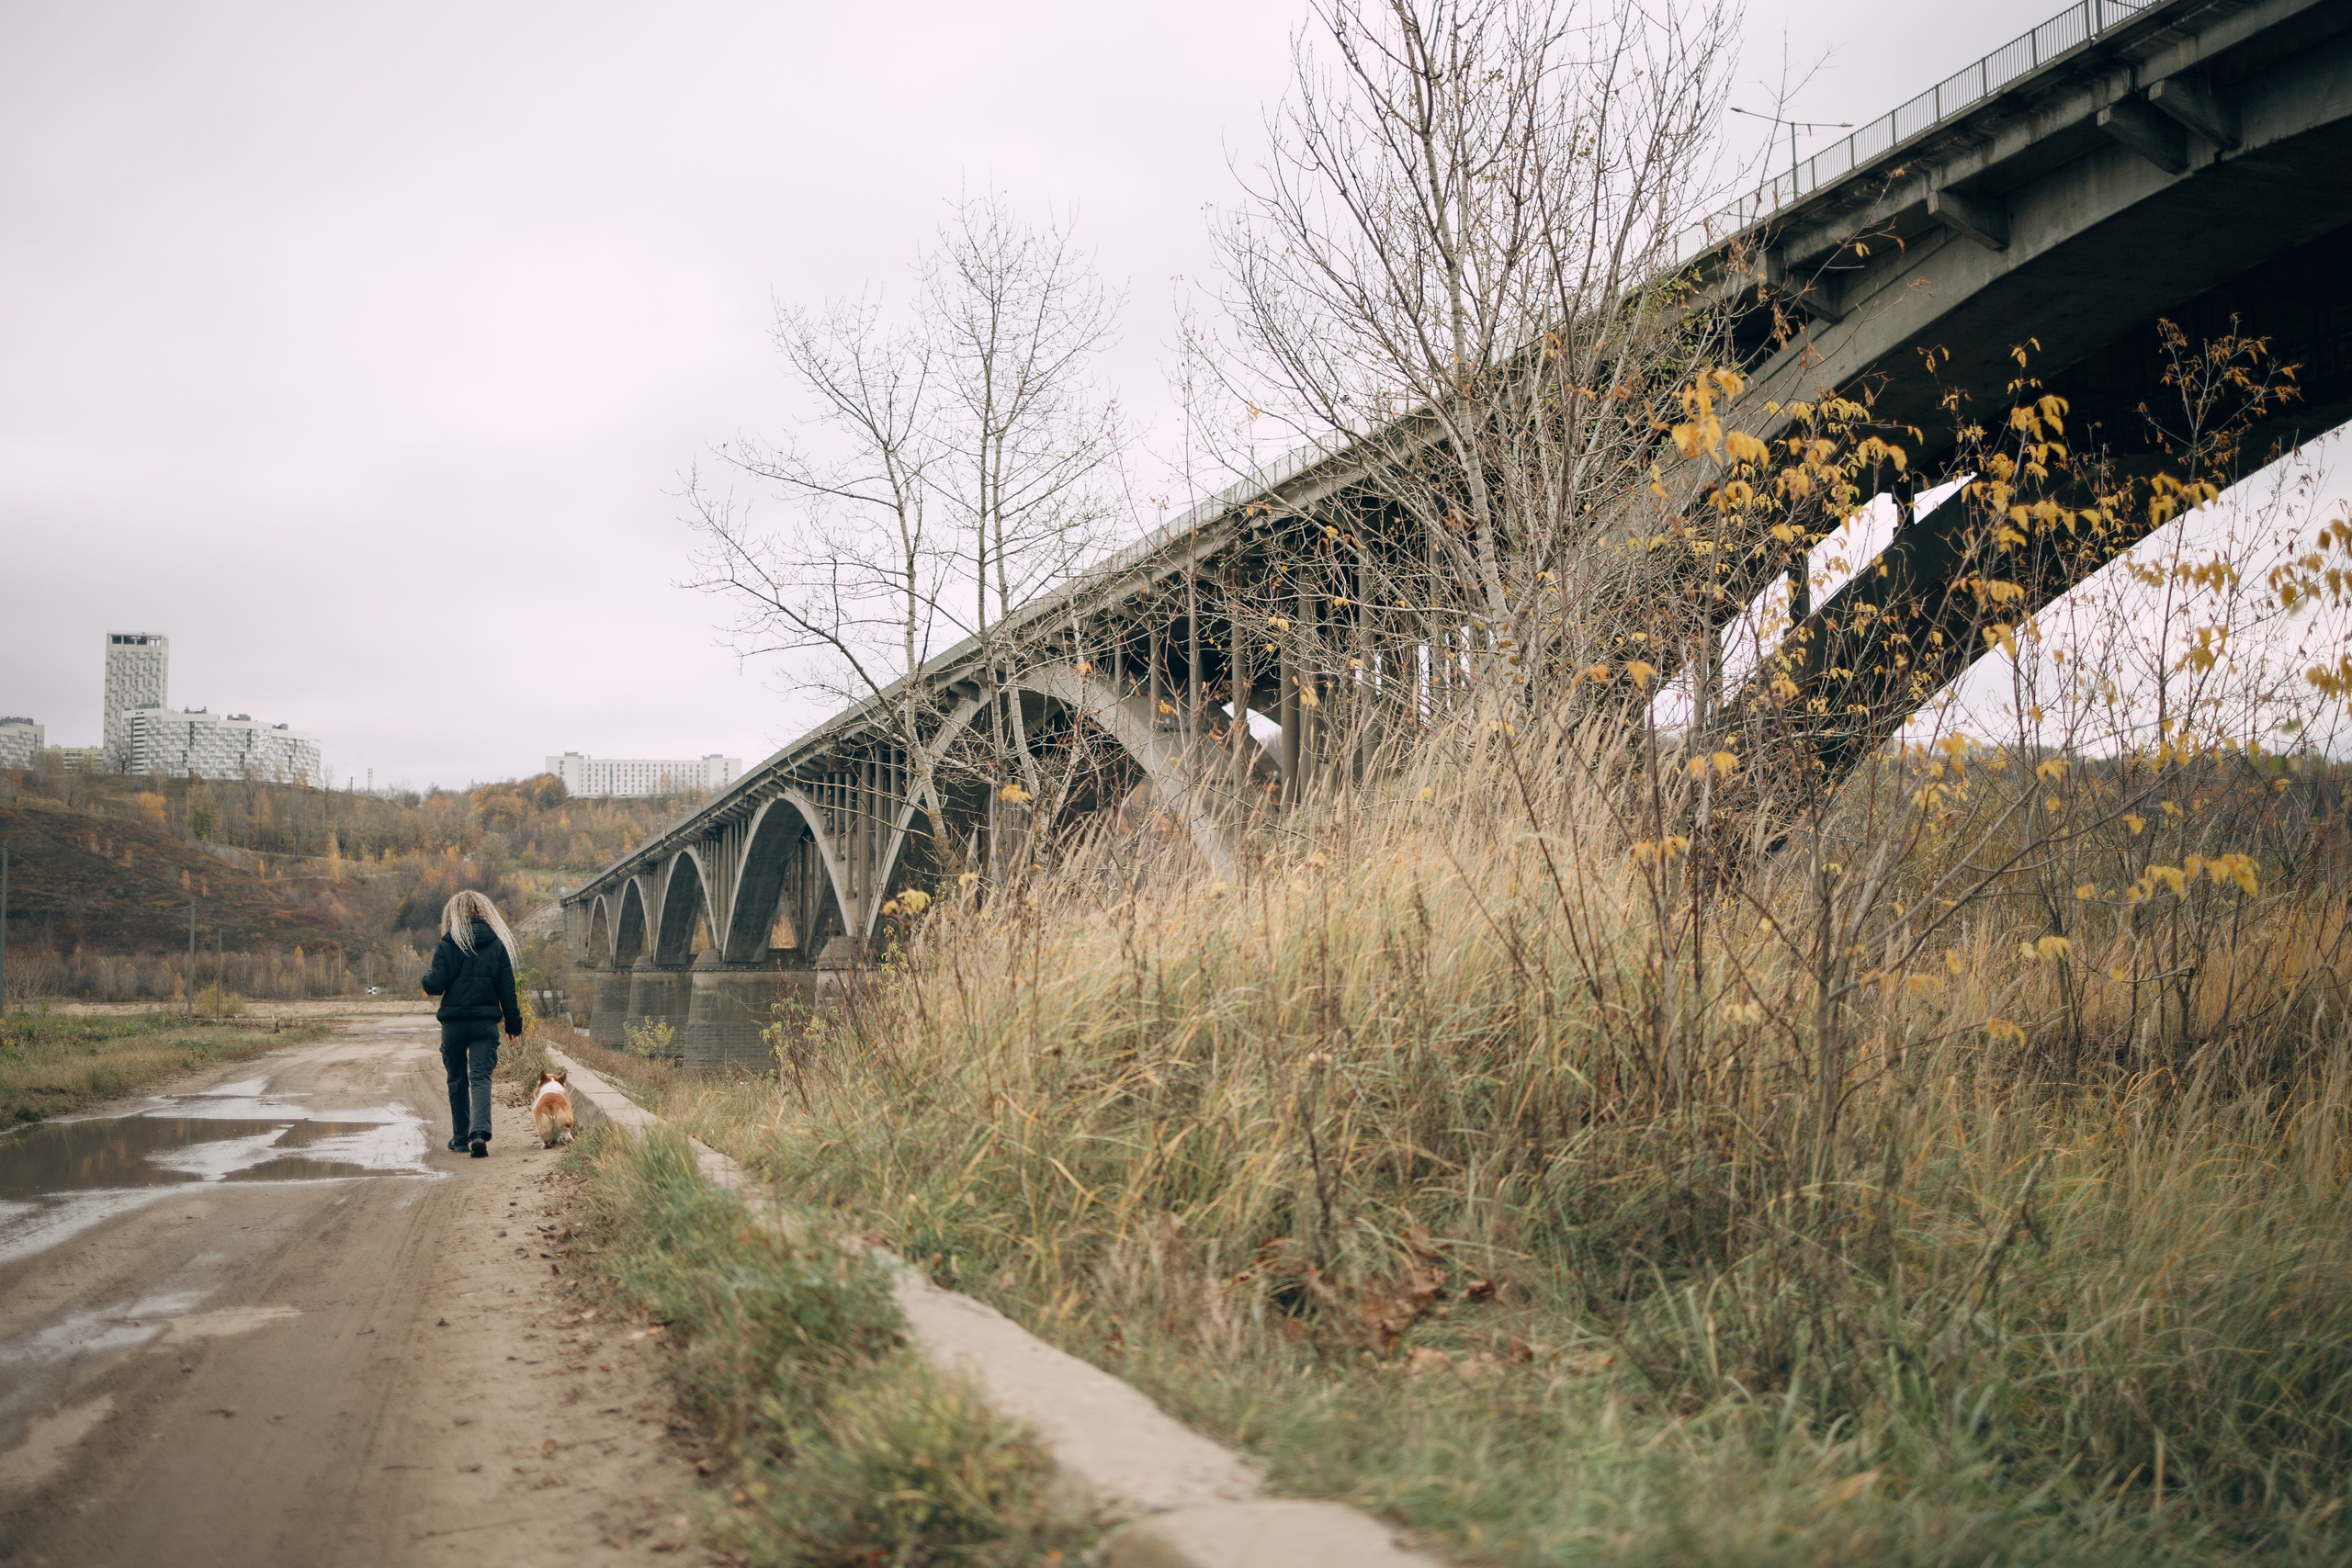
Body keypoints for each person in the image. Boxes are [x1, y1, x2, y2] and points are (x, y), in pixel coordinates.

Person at [419, 888, 522, 1157]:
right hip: (485, 1025)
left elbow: (435, 985)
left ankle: (460, 1138)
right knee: (480, 1077)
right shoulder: (497, 945)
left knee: (456, 1080)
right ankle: (480, 1134)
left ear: (456, 913)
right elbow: (507, 991)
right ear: (485, 912)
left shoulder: (448, 944)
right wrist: (514, 1026)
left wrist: (426, 978)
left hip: (453, 1026)